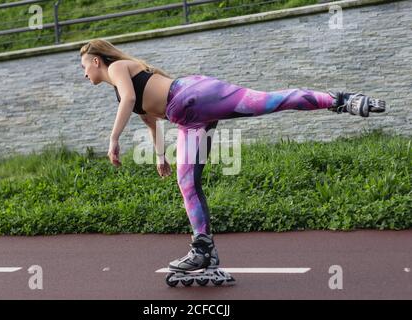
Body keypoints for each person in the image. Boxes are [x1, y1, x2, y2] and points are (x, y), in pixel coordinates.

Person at [80, 39, 386, 284]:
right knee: (186, 182)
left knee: (268, 102)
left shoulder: (118, 68)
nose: (85, 74)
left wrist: (113, 139)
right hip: (189, 120)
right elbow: (151, 122)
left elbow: (132, 100)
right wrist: (161, 156)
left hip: (194, 95)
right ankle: (203, 250)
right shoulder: (123, 94)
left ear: (96, 61)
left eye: (85, 67)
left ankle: (342, 100)